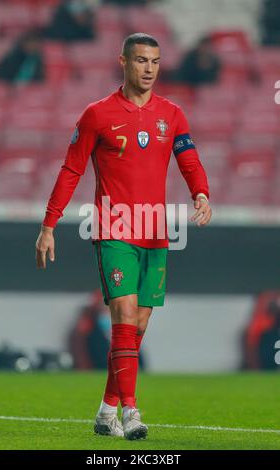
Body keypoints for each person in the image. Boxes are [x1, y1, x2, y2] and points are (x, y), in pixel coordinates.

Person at [35, 32, 212, 440]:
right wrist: (49, 225)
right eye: (140, 61)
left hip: (156, 231)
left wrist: (200, 191)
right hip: (113, 229)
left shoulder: (173, 114)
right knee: (125, 315)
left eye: (154, 61)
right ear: (124, 62)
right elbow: (71, 170)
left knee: (140, 323)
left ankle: (106, 409)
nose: (148, 69)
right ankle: (131, 413)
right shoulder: (97, 114)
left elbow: (188, 158)